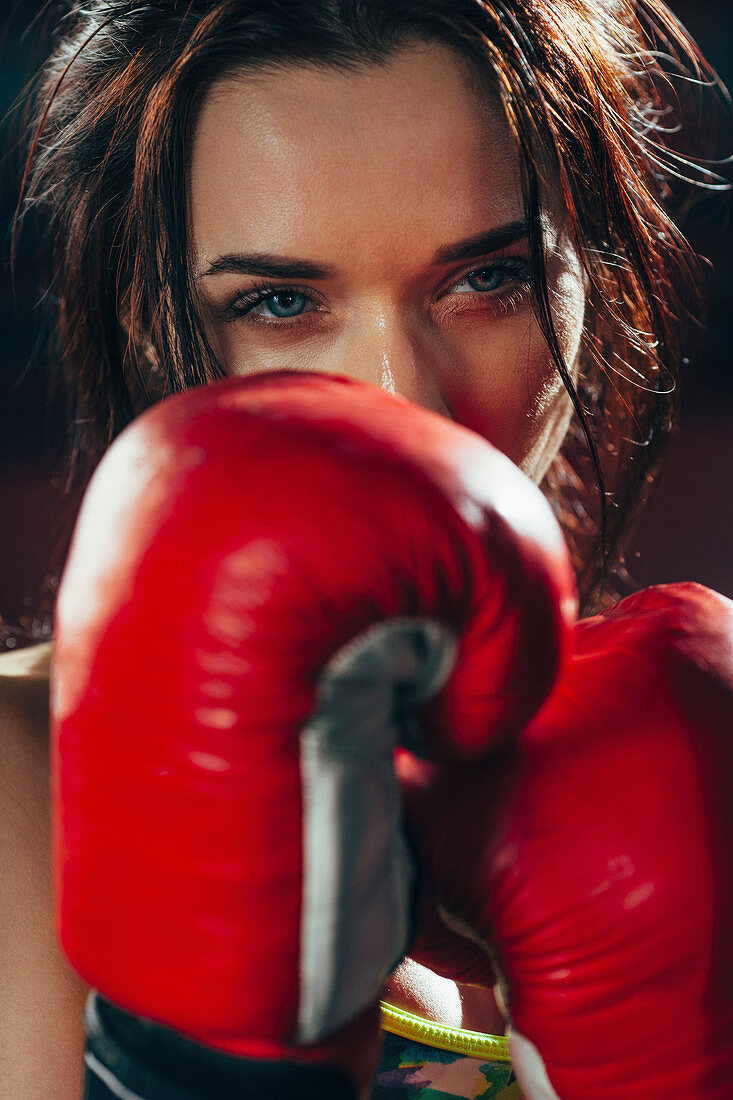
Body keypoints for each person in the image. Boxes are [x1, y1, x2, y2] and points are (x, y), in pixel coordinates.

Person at [1, 0, 728, 1096]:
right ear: (159, 319)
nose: (404, 395)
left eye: (488, 278)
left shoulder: (695, 744)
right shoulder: (21, 792)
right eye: (281, 300)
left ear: (592, 270)